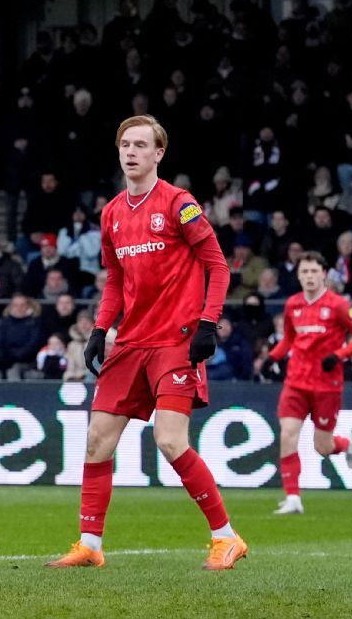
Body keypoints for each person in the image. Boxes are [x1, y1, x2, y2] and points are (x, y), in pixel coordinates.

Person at [47, 114, 245, 571]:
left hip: (176, 340)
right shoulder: (112, 212)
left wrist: (207, 323)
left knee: (170, 440)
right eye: (125, 145)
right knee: (97, 440)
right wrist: (100, 329)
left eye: (141, 145)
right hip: (131, 341)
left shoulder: (180, 204)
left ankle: (226, 537)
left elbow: (218, 266)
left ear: (159, 154)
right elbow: (115, 279)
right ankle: (90, 545)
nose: (131, 152)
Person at [263, 252, 352, 515]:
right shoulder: (292, 304)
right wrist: (272, 358)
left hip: (326, 385)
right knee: (287, 434)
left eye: (314, 271)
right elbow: (289, 339)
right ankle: (293, 498)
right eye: (305, 272)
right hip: (296, 381)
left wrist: (339, 355)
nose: (309, 276)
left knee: (322, 447)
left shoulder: (338, 305)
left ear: (323, 274)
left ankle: (345, 443)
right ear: (298, 275)